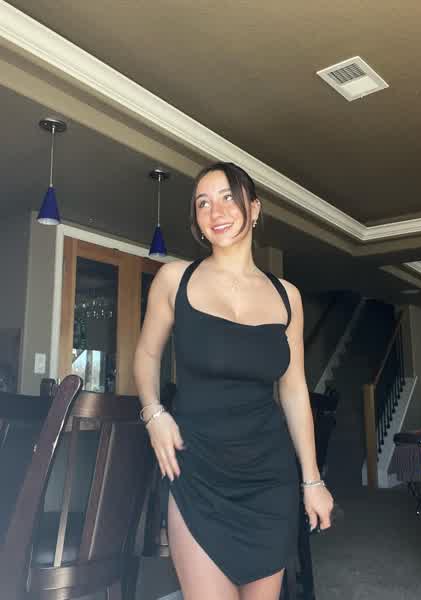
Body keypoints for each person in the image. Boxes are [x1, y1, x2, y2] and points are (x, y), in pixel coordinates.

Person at [133, 161, 334, 600]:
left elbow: (294, 389)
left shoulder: (287, 296)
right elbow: (146, 354)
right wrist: (153, 413)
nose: (216, 211)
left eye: (228, 197)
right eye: (203, 203)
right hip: (197, 469)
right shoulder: (174, 280)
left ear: (254, 209)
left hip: (268, 478)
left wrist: (312, 480)